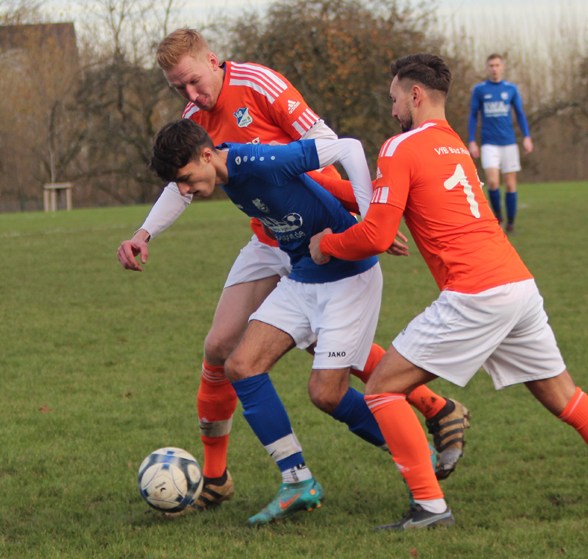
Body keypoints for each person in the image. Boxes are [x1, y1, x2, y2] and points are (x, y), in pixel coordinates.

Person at [310, 53, 588, 530]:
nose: (392, 105)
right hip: (517, 285)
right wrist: (332, 190)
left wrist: (326, 243)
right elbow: (382, 202)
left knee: (382, 390)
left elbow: (375, 234)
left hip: (474, 293)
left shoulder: (399, 147)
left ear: (414, 94)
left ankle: (431, 509)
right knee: (565, 396)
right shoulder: (454, 144)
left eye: (395, 95)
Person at [117, 29, 469, 510]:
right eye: (179, 88)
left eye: (195, 82)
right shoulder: (193, 125)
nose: (192, 95)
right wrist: (144, 233)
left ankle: (430, 409)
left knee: (321, 364)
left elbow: (327, 145)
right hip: (270, 236)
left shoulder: (260, 84)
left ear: (213, 61)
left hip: (318, 236)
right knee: (224, 348)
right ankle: (219, 477)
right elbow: (182, 184)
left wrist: (361, 222)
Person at [149, 118, 407, 525]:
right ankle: (297, 480)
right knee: (239, 365)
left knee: (327, 395)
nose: (184, 190)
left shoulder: (263, 160)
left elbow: (349, 148)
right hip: (305, 273)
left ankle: (414, 454)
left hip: (347, 275)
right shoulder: (225, 172)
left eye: (184, 179)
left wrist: (371, 223)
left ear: (205, 155)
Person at [468, 54, 531, 234]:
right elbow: (473, 115)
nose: (494, 68)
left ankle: (511, 225)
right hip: (489, 144)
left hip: (509, 143)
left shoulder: (511, 89)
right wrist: (472, 141)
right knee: (493, 182)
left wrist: (526, 136)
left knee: (511, 185)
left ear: (502, 66)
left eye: (497, 65)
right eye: (491, 65)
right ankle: (499, 219)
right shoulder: (479, 90)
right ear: (487, 68)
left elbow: (519, 113)